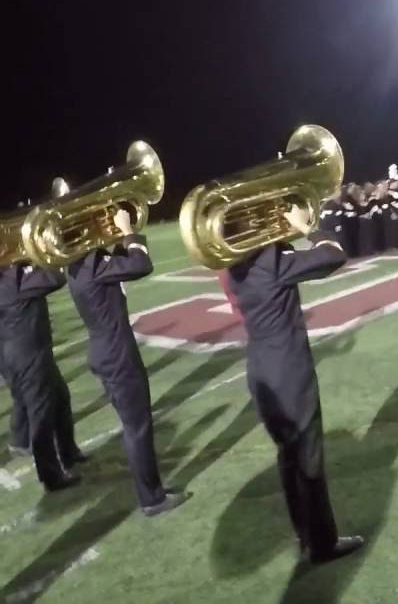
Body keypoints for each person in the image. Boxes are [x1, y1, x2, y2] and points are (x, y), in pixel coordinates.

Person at [221, 204, 364, 564]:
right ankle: (323, 543)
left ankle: (305, 534)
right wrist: (306, 227)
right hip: (288, 370)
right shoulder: (271, 265)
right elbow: (333, 255)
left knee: (289, 456)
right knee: (308, 456)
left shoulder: (235, 267)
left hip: (261, 368)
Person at [67, 208, 188, 515]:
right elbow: (141, 264)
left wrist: (119, 237)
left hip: (104, 351)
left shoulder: (78, 265)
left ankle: (154, 490)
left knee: (135, 425)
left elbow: (120, 266)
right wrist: (126, 232)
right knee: (137, 427)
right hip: (117, 353)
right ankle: (152, 499)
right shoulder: (95, 265)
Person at [0, 261, 85, 491]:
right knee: (42, 417)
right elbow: (56, 278)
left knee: (61, 398)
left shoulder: (11, 278)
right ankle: (51, 476)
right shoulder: (13, 281)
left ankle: (69, 452)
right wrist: (38, 258)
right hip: (30, 357)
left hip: (22, 355)